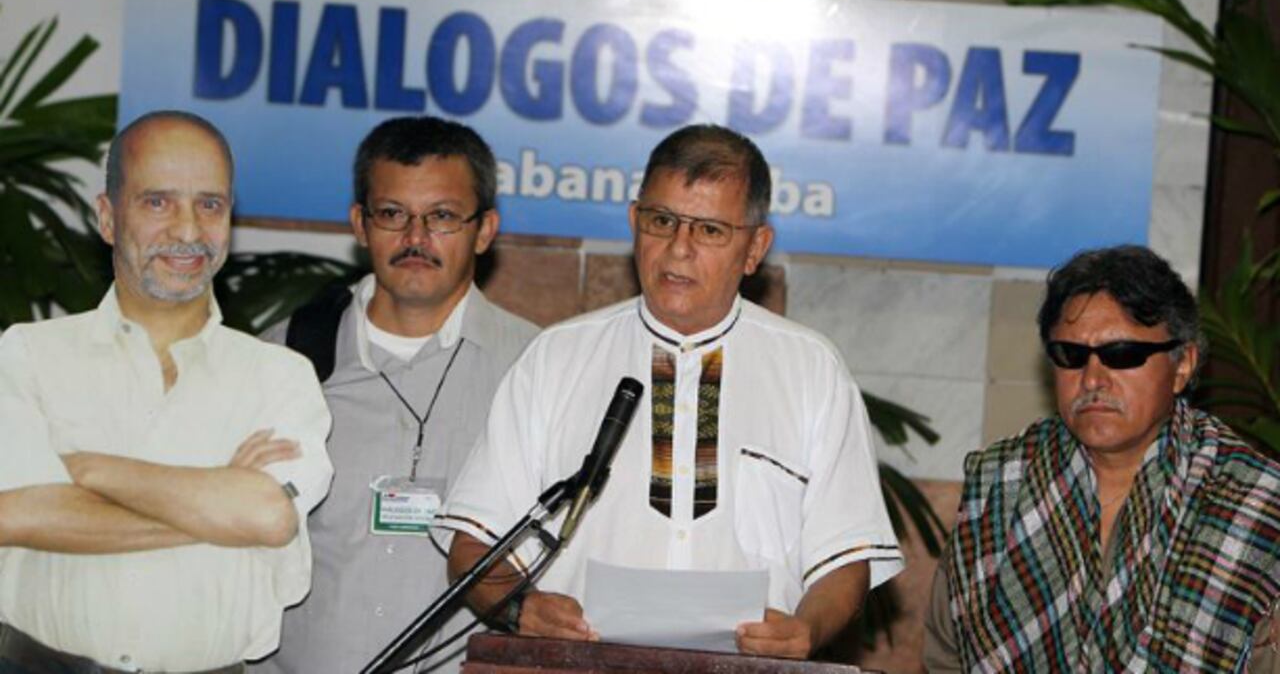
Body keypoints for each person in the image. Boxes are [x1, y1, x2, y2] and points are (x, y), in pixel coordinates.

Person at [438, 124, 903, 659]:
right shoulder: (556, 358)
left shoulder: (811, 370)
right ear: (636, 224)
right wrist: (522, 608)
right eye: (662, 221)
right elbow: (473, 539)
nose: (678, 249)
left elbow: (845, 559)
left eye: (709, 231)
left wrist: (807, 631)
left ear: (754, 248)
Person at [0, 110, 333, 673]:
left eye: (210, 204)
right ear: (107, 218)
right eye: (158, 202)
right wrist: (214, 507)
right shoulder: (28, 355)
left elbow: (268, 516)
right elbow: (15, 515)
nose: (187, 231)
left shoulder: (280, 375)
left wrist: (85, 469)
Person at [256, 117, 537, 674]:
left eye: (442, 217)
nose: (415, 238)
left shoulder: (535, 368)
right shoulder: (284, 358)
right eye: (392, 214)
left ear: (484, 231)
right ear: (360, 224)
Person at [923, 245, 1280, 673]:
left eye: (1122, 355)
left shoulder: (1254, 501)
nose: (1092, 379)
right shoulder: (1001, 485)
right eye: (1071, 356)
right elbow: (946, 655)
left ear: (1182, 364)